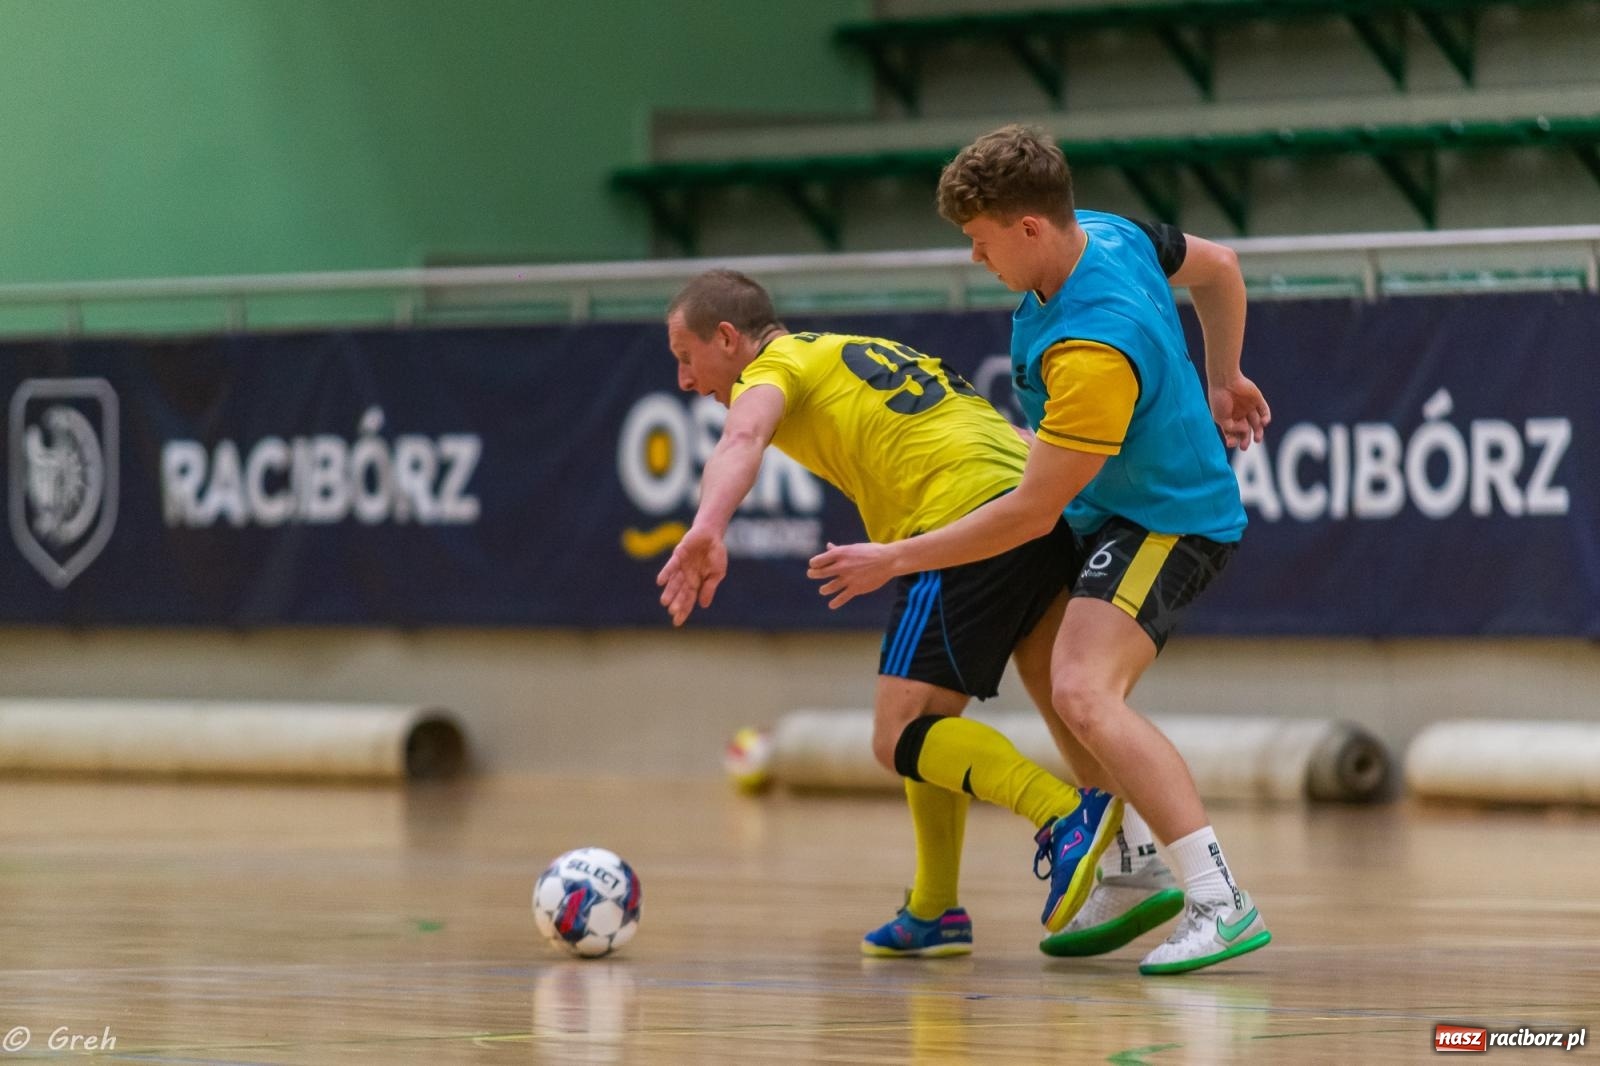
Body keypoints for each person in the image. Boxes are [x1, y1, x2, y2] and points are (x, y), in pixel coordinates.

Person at [808, 124, 1274, 975]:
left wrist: (895, 559)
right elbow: (1223, 269)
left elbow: (1028, 512)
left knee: (1084, 690)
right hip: (1115, 513)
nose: (976, 260)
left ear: (1028, 229)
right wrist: (1224, 375)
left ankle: (1218, 898)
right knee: (1044, 665)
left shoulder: (1091, 350)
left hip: (1168, 522)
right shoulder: (1108, 232)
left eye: (981, 243)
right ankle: (1128, 868)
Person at [655, 268, 1124, 956]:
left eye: (685, 358)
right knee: (954, 722)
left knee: (897, 734)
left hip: (957, 520)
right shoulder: (851, 349)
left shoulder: (774, 367)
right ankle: (943, 906)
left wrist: (706, 527)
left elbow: (740, 442)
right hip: (1034, 510)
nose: (685, 381)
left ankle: (1066, 818)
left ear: (728, 339)